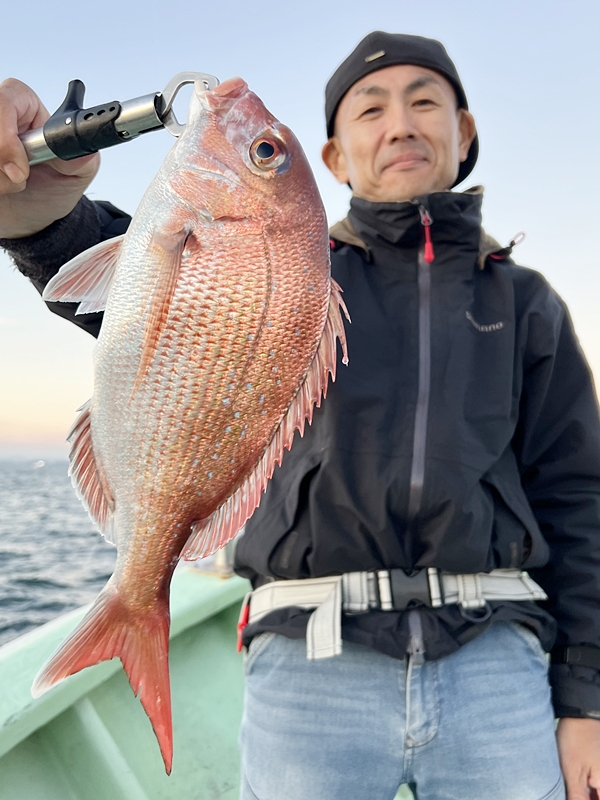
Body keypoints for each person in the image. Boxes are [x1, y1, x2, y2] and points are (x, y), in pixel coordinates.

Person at [1, 30, 600, 800]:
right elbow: (133, 294)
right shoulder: (298, 270)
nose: (400, 124)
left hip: (496, 654)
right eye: (371, 109)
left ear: (465, 132)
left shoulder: (526, 301)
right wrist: (41, 216)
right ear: (335, 158)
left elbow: (577, 497)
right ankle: (134, 598)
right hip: (305, 653)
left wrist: (585, 698)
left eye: (425, 103)